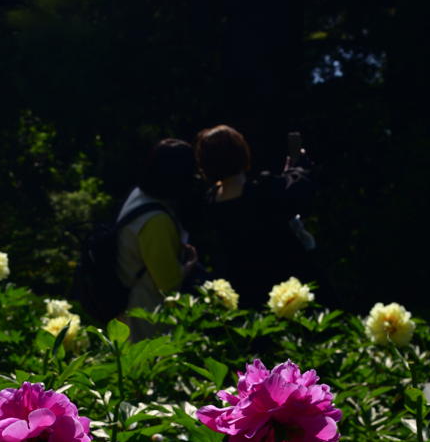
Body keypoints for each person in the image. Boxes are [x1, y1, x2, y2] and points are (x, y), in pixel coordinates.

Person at [195, 125, 324, 310]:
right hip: (277, 291)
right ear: (241, 153)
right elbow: (300, 187)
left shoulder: (212, 203)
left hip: (240, 291)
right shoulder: (261, 194)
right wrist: (298, 167)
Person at [116, 139, 200, 341]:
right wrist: (191, 262)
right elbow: (168, 282)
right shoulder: (157, 220)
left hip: (125, 304)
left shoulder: (138, 195)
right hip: (146, 315)